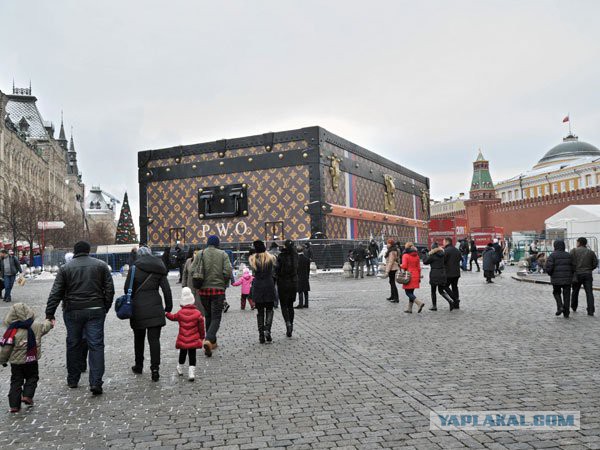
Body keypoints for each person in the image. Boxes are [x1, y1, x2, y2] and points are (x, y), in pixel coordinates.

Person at [46, 241, 114, 396]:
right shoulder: (101, 265)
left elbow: (56, 292)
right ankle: (96, 381)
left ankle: (73, 378)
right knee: (96, 345)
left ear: (75, 252)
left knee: (73, 343)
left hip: (73, 310)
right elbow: (109, 289)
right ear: (88, 250)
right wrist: (105, 307)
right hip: (96, 309)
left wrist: (49, 313)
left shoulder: (65, 268)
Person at [126, 246, 173, 381]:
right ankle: (155, 369)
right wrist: (168, 307)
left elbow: (126, 289)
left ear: (139, 256)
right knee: (154, 340)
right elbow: (166, 290)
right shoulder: (159, 267)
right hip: (155, 308)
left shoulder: (134, 268)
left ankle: (139, 365)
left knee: (139, 338)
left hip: (138, 309)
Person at [0, 303, 53, 413]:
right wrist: (49, 321)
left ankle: (14, 405)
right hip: (31, 359)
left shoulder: (11, 331)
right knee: (32, 377)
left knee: (16, 381)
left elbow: (6, 349)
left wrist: (2, 360)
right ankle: (27, 396)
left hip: (16, 363)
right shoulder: (36, 326)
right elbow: (45, 327)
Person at [191, 235, 232, 356]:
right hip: (218, 291)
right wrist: (223, 282)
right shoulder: (223, 254)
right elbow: (228, 271)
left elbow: (193, 270)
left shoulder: (200, 254)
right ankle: (208, 339)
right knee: (216, 317)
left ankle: (212, 343)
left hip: (203, 291)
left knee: (208, 315)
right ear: (217, 243)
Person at [166, 287, 205, 381]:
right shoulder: (197, 313)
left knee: (182, 353)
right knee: (192, 355)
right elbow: (201, 327)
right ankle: (191, 372)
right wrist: (202, 337)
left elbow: (173, 317)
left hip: (183, 338)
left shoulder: (180, 313)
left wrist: (166, 313)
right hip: (193, 338)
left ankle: (180, 367)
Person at [249, 240, 277, 344]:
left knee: (260, 312)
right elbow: (274, 271)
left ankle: (261, 335)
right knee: (269, 309)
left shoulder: (253, 260)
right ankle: (267, 330)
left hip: (258, 286)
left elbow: (254, 273)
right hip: (269, 285)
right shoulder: (271, 258)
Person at [544, 240, 574, 318]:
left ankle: (560, 306)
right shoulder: (569, 255)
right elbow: (573, 267)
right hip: (567, 279)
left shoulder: (552, 256)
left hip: (556, 279)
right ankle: (566, 312)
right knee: (567, 295)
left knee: (556, 293)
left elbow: (549, 268)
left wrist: (551, 274)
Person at [275, 240, 298, 337]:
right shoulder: (295, 256)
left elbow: (277, 269)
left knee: (284, 306)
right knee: (290, 306)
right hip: (293, 283)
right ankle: (291, 325)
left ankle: (287, 323)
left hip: (283, 283)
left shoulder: (281, 256)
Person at [570, 237, 598, 316]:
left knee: (575, 291)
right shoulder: (591, 252)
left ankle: (574, 306)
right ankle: (591, 310)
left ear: (578, 243)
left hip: (577, 274)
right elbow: (595, 263)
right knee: (589, 292)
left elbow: (570, 262)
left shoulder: (573, 251)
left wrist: (573, 270)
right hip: (588, 274)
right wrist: (589, 269)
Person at [424, 243, 455, 311]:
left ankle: (434, 306)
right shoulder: (443, 254)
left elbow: (425, 262)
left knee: (433, 291)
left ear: (432, 249)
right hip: (442, 273)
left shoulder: (432, 255)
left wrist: (425, 254)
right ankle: (450, 300)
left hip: (434, 274)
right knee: (441, 290)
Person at [400, 242, 424, 313]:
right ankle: (409, 309)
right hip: (416, 275)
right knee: (411, 292)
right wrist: (419, 277)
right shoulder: (416, 255)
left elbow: (404, 266)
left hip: (409, 275)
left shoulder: (405, 255)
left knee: (408, 293)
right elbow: (419, 268)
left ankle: (419, 303)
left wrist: (399, 265)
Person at [443, 238, 462, 309]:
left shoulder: (446, 251)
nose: (443, 243)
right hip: (456, 272)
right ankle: (456, 305)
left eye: (444, 242)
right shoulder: (457, 250)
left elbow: (443, 261)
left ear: (447, 242)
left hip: (448, 272)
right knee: (455, 287)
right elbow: (460, 259)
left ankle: (455, 300)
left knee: (445, 286)